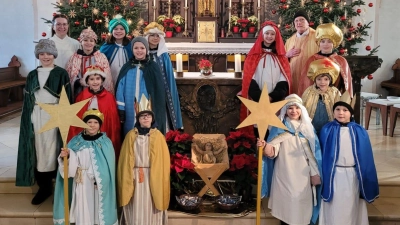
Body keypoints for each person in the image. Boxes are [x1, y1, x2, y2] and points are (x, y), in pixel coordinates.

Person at [16, 39, 73, 205]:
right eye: (42, 53)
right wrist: (28, 119)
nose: (45, 56)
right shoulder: (33, 74)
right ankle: (44, 187)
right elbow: (28, 100)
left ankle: (59, 185)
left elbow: (67, 97)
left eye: (49, 53)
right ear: (38, 56)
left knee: (54, 147)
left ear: (54, 55)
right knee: (39, 149)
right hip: (37, 114)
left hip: (55, 113)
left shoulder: (61, 73)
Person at [258, 94, 322, 225]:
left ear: (301, 109)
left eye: (296, 108)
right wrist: (264, 146)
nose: (294, 111)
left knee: (302, 205)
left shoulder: (308, 128)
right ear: (285, 110)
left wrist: (315, 173)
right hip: (284, 173)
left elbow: (313, 154)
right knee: (286, 205)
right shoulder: (279, 127)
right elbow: (272, 152)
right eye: (290, 108)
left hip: (303, 174)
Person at [318, 96, 379, 225]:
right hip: (333, 175)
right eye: (338, 109)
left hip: (353, 175)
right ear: (333, 112)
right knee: (334, 206)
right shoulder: (326, 130)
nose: (341, 113)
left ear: (351, 113)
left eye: (345, 110)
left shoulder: (359, 131)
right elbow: (320, 154)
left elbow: (366, 157)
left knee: (352, 206)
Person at [53, 109, 118, 225]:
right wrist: (67, 156)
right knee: (83, 209)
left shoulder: (105, 143)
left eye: (95, 122)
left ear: (99, 125)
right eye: (89, 122)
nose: (92, 125)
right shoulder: (75, 141)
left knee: (97, 211)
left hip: (98, 184)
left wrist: (101, 180)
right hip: (81, 182)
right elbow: (70, 164)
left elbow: (109, 168)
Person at [117, 105, 170, 225]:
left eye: (148, 116)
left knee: (151, 203)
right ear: (138, 119)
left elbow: (163, 161)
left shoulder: (159, 136)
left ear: (152, 119)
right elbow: (124, 160)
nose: (145, 118)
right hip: (134, 176)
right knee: (135, 204)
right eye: (142, 116)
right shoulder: (130, 135)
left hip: (153, 175)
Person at [240, 20, 291, 136]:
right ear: (262, 35)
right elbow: (249, 78)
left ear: (276, 36)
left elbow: (284, 79)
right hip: (257, 100)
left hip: (275, 101)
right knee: (258, 128)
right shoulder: (253, 56)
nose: (269, 36)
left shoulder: (281, 57)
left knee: (274, 129)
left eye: (272, 34)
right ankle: (258, 152)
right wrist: (260, 97)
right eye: (267, 33)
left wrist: (273, 96)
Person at [115, 37, 166, 136]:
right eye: (136, 48)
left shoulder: (153, 67)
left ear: (146, 50)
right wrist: (121, 108)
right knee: (129, 131)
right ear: (132, 50)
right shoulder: (127, 67)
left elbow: (158, 91)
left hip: (147, 107)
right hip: (129, 106)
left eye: (142, 48)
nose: (139, 51)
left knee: (146, 131)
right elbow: (120, 89)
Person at [67, 65, 121, 159]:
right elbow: (76, 120)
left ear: (102, 80)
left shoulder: (109, 97)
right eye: (91, 79)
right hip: (86, 133)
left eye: (98, 78)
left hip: (103, 133)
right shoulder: (82, 96)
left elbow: (112, 121)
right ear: (87, 81)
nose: (95, 82)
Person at [144, 22, 183, 131]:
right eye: (152, 35)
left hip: (162, 91)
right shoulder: (142, 54)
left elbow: (168, 77)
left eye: (158, 36)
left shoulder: (164, 55)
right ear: (147, 37)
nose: (155, 38)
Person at [301, 23, 353, 96]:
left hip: (335, 97)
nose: (326, 44)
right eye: (323, 41)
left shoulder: (341, 61)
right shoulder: (312, 60)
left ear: (334, 44)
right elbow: (305, 83)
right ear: (319, 43)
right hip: (315, 98)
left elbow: (346, 83)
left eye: (329, 41)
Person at [66, 28, 114, 98]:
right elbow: (70, 76)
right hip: (80, 93)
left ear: (95, 43)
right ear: (81, 42)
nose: (88, 43)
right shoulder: (74, 58)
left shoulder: (101, 57)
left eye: (91, 41)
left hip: (97, 93)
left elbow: (107, 77)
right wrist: (78, 81)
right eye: (85, 40)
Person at [284, 10, 319, 96]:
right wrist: (287, 55)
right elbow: (282, 61)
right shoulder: (289, 40)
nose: (299, 23)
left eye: (302, 20)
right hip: (294, 78)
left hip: (311, 78)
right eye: (296, 21)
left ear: (308, 22)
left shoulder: (317, 36)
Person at [302, 58, 341, 134]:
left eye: (326, 79)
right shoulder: (309, 91)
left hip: (329, 124)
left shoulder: (334, 92)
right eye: (319, 79)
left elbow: (339, 106)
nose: (322, 82)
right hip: (313, 123)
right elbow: (303, 105)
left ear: (330, 81)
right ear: (315, 80)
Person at [100, 14, 133, 85]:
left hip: (127, 79)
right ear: (111, 31)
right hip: (111, 78)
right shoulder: (106, 47)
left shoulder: (131, 46)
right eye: (115, 29)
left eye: (122, 29)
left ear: (126, 31)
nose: (119, 31)